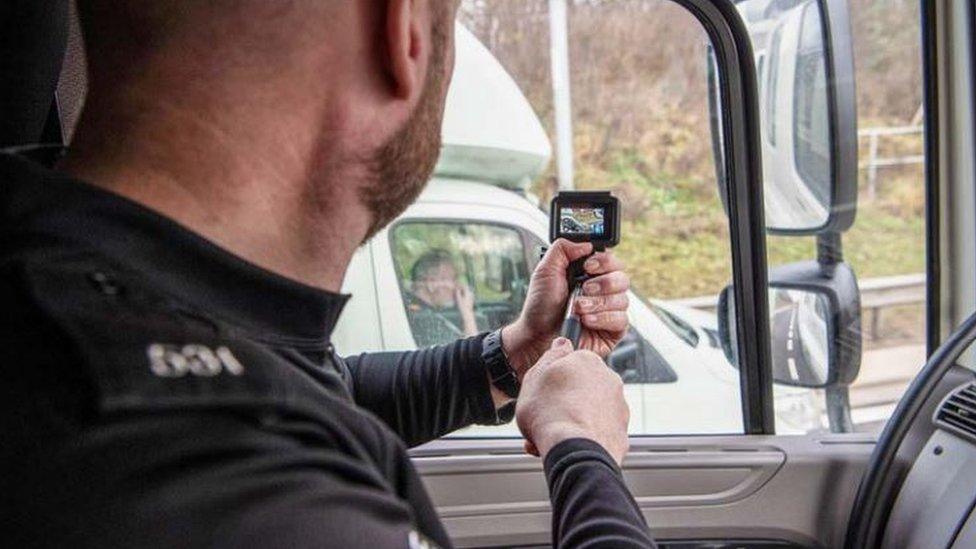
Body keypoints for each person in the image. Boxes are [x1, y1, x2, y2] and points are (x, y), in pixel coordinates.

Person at [0, 1, 655, 548]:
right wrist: (583, 449)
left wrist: (514, 354)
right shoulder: (249, 500)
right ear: (400, 34)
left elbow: (323, 390)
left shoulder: (111, 303)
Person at [406, 248, 486, 346]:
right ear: (431, 283)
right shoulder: (424, 320)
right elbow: (470, 355)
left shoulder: (416, 310)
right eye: (453, 279)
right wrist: (467, 312)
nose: (458, 286)